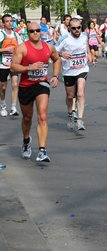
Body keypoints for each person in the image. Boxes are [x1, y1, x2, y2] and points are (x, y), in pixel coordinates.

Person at [11, 22, 61, 162]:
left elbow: (57, 59)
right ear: (28, 32)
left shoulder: (48, 47)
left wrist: (56, 76)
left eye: (37, 30)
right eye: (31, 31)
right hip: (26, 86)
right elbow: (13, 67)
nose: (35, 33)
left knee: (43, 116)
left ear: (41, 31)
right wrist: (29, 68)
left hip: (41, 84)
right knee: (27, 118)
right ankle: (26, 141)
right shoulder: (22, 48)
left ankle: (42, 150)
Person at [56, 18, 92, 130]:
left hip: (82, 68)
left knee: (80, 93)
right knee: (70, 96)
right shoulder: (65, 39)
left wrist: (89, 53)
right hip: (69, 70)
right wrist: (62, 54)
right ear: (69, 28)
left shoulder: (85, 36)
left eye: (78, 28)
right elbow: (53, 50)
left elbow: (86, 45)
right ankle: (70, 113)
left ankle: (80, 119)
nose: (77, 30)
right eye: (74, 28)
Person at [0, 14, 23, 117]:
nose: (9, 23)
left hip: (13, 63)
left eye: (11, 21)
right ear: (3, 23)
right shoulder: (1, 34)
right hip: (3, 64)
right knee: (3, 87)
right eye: (7, 21)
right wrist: (6, 49)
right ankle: (3, 105)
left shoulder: (16, 35)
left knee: (15, 84)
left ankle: (13, 107)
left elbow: (21, 48)